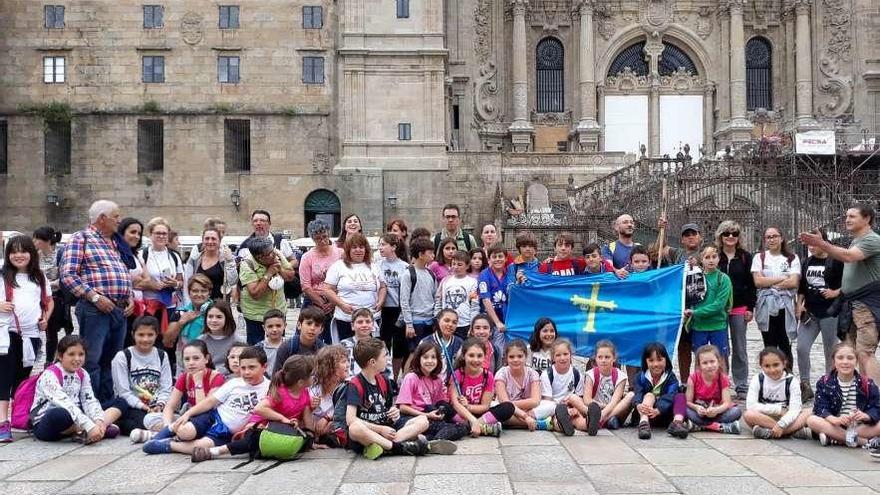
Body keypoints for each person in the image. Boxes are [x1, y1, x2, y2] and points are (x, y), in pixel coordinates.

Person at [61, 200, 135, 402]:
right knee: (91, 360)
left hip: (119, 310)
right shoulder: (81, 238)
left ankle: (107, 405)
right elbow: (68, 275)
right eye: (116, 216)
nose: (119, 221)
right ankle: (90, 404)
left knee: (112, 360)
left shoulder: (115, 242)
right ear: (102, 218)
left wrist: (129, 296)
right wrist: (94, 297)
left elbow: (123, 273)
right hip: (95, 309)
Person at [800, 204, 880, 384]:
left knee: (866, 352)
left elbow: (849, 256)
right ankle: (862, 393)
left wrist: (821, 244)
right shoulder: (856, 240)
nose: (847, 219)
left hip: (866, 304)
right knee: (854, 352)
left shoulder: (871, 240)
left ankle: (876, 397)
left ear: (867, 219)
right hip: (852, 304)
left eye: (852, 216)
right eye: (846, 216)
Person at [141, 346, 270, 456]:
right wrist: (188, 414)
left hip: (227, 433)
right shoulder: (235, 383)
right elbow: (210, 402)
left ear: (264, 367)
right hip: (212, 417)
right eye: (243, 368)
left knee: (202, 446)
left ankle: (170, 445)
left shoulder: (269, 388)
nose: (246, 372)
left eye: (252, 367)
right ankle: (168, 431)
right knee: (185, 432)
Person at [342, 337, 456, 459]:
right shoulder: (355, 384)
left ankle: (383, 447)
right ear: (373, 362)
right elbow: (350, 419)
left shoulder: (384, 380)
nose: (388, 358)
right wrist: (380, 429)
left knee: (423, 421)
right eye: (385, 355)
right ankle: (400, 447)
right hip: (368, 432)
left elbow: (390, 409)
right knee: (354, 428)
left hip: (388, 430)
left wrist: (394, 412)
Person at [190, 354, 317, 462]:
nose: (314, 377)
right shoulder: (280, 392)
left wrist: (311, 439)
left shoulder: (304, 393)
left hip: (280, 430)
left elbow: (307, 419)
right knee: (251, 440)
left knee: (302, 441)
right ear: (300, 381)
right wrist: (283, 419)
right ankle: (214, 451)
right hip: (260, 426)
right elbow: (259, 409)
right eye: (312, 375)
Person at [0, 235, 54, 441]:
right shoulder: (2, 276)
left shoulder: (39, 277)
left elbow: (48, 302)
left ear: (32, 253)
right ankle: (2, 422)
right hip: (7, 334)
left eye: (23, 251)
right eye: (14, 251)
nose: (19, 255)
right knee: (3, 378)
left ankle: (18, 416)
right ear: (8, 255)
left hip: (31, 336)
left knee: (21, 379)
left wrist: (45, 318)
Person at [30, 335, 124, 443]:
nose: (77, 359)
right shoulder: (49, 375)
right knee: (60, 414)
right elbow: (64, 402)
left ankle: (99, 428)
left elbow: (89, 400)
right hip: (48, 423)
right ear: (60, 356)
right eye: (71, 354)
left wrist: (99, 420)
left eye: (81, 354)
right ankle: (87, 430)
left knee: (121, 402)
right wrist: (88, 425)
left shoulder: (82, 373)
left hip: (78, 414)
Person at [129, 340, 225, 443]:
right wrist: (167, 428)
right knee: (149, 419)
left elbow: (204, 409)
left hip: (208, 420)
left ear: (206, 359)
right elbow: (169, 407)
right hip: (188, 417)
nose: (191, 363)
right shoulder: (185, 377)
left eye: (196, 358)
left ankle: (158, 436)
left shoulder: (216, 377)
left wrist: (198, 382)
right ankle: (169, 435)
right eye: (187, 359)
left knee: (188, 430)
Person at [797, 229, 843, 400]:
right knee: (802, 347)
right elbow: (802, 286)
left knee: (830, 349)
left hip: (830, 311)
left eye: (813, 243)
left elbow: (848, 283)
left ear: (823, 241)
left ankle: (829, 384)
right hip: (810, 312)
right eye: (808, 244)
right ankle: (805, 384)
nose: (810, 247)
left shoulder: (836, 261)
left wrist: (834, 292)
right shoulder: (806, 262)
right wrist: (799, 304)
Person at [807, 342, 880, 448]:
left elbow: (877, 407)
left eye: (850, 358)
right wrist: (835, 419)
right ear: (834, 361)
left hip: (858, 427)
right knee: (811, 420)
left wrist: (866, 416)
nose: (845, 362)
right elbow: (820, 407)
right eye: (840, 358)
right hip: (834, 425)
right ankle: (860, 441)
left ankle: (835, 438)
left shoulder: (867, 383)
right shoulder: (825, 382)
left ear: (856, 362)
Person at [110, 315, 173, 435]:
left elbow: (166, 387)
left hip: (157, 406)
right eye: (141, 335)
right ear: (133, 334)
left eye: (150, 335)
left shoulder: (162, 355)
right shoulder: (123, 357)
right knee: (131, 425)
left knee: (170, 416)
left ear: (156, 335)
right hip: (133, 407)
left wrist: (160, 404)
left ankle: (157, 432)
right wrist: (144, 407)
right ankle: (161, 432)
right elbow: (123, 392)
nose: (145, 339)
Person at [715, 220, 756, 400]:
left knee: (740, 346)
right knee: (721, 347)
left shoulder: (746, 257)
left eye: (734, 233)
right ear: (721, 237)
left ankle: (741, 383)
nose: (730, 237)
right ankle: (722, 381)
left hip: (739, 307)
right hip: (719, 309)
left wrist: (750, 307)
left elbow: (751, 284)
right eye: (726, 233)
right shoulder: (715, 256)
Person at [396, 341, 468, 441]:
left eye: (433, 357)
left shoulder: (437, 380)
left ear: (438, 360)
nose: (430, 361)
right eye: (425, 357)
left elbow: (438, 404)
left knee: (461, 428)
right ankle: (432, 441)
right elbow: (403, 407)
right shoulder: (411, 377)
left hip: (430, 417)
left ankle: (425, 440)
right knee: (446, 427)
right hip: (411, 418)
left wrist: (440, 412)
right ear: (418, 359)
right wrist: (427, 415)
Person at [752, 226, 800, 371]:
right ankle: (770, 375)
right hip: (766, 306)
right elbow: (758, 282)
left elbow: (793, 282)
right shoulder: (759, 258)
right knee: (769, 343)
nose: (772, 239)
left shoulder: (792, 258)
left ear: (781, 238)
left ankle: (788, 375)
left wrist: (769, 281)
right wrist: (781, 278)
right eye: (768, 237)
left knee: (785, 343)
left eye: (774, 236)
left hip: (784, 306)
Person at [139, 218, 184, 370]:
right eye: (157, 233)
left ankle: (168, 373)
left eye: (164, 233)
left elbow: (181, 282)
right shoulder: (142, 255)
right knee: (149, 341)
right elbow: (136, 282)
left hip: (170, 306)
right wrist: (152, 285)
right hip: (149, 307)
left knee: (169, 342)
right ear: (150, 235)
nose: (161, 236)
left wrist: (174, 284)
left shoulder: (174, 256)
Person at [324, 233, 386, 343]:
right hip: (346, 318)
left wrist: (380, 301)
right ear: (348, 249)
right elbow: (327, 289)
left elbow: (382, 287)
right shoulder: (338, 266)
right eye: (354, 247)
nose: (358, 250)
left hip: (370, 319)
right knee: (347, 351)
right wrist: (342, 305)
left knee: (370, 352)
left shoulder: (374, 266)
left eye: (361, 247)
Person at [449, 337, 515, 437]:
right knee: (444, 407)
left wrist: (469, 408)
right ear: (463, 356)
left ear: (484, 357)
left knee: (508, 407)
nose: (475, 360)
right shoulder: (457, 374)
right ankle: (482, 427)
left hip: (479, 414)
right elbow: (455, 404)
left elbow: (485, 406)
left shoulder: (487, 376)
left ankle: (470, 427)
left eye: (479, 356)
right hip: (461, 414)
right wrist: (472, 419)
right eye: (471, 355)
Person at [744, 347, 812, 440]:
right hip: (765, 417)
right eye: (767, 366)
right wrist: (778, 410)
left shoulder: (792, 381)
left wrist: (782, 424)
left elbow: (794, 410)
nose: (772, 370)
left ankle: (771, 432)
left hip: (787, 418)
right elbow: (751, 406)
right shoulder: (758, 379)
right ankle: (791, 432)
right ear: (761, 366)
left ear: (784, 363)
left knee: (810, 411)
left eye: (776, 365)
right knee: (749, 414)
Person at [239, 236, 296, 345]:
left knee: (278, 345)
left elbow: (291, 276)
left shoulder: (276, 254)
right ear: (258, 257)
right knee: (256, 348)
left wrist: (280, 269)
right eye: (268, 254)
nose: (273, 255)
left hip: (277, 311)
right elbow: (255, 293)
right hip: (255, 314)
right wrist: (268, 274)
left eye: (272, 250)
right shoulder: (247, 264)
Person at [685, 246, 733, 374]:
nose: (711, 260)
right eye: (707, 257)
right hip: (699, 326)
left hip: (718, 325)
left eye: (714, 257)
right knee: (699, 359)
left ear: (718, 259)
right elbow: (689, 297)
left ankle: (723, 388)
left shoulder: (723, 279)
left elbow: (719, 304)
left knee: (721, 358)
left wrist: (696, 312)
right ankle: (698, 388)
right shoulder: (694, 277)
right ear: (701, 259)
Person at [534, 339, 591, 436]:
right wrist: (565, 411)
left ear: (571, 355)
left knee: (579, 419)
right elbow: (548, 401)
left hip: (572, 407)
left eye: (565, 354)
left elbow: (579, 397)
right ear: (552, 358)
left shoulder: (577, 374)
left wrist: (576, 409)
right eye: (558, 355)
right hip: (555, 409)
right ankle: (564, 426)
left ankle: (590, 424)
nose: (562, 358)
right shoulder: (547, 374)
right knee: (555, 421)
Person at [299, 219, 343, 344]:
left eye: (324, 236)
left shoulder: (340, 253)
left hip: (337, 299)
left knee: (332, 340)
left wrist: (333, 302)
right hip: (313, 301)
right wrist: (322, 304)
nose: (322, 240)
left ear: (328, 233)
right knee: (310, 338)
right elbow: (306, 285)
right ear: (313, 239)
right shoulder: (307, 257)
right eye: (318, 238)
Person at [632, 342, 688, 440]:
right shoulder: (640, 377)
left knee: (680, 396)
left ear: (666, 360)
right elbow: (638, 393)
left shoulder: (671, 378)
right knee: (649, 395)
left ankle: (676, 424)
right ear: (645, 362)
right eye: (651, 360)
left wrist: (658, 410)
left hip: (665, 415)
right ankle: (644, 425)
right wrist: (638, 405)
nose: (656, 364)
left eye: (660, 360)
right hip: (646, 414)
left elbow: (670, 396)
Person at [399, 238, 438, 371]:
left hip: (429, 320)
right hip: (415, 321)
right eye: (430, 253)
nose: (433, 256)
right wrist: (409, 324)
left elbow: (435, 297)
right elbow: (404, 301)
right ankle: (405, 383)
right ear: (421, 254)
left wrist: (435, 318)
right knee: (413, 354)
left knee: (426, 353)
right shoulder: (408, 274)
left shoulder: (431, 274)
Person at [685, 344, 742, 434]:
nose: (709, 366)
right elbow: (688, 402)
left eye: (712, 361)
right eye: (705, 363)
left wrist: (717, 410)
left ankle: (701, 426)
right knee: (684, 409)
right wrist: (697, 408)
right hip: (700, 413)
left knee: (736, 412)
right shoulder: (693, 378)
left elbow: (727, 402)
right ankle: (717, 426)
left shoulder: (722, 378)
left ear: (718, 362)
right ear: (699, 365)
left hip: (717, 412)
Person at [164, 274, 213, 374]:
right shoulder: (181, 312)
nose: (199, 294)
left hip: (210, 362)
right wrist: (181, 323)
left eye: (203, 291)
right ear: (189, 293)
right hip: (185, 365)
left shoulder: (216, 312)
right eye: (195, 291)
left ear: (209, 293)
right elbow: (167, 341)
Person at [33, 226, 68, 365]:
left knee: (52, 330)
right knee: (39, 328)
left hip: (55, 298)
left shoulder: (61, 254)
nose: (34, 241)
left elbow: (65, 278)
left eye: (37, 238)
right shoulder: (35, 255)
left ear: (48, 240)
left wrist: (46, 284)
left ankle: (49, 361)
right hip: (37, 298)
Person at [583, 340, 634, 430]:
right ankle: (599, 419)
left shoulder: (621, 376)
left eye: (607, 357)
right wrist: (600, 407)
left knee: (631, 395)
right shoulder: (590, 374)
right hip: (595, 409)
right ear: (596, 358)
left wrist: (602, 415)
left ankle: (602, 420)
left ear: (614, 358)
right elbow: (587, 400)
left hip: (614, 411)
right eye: (600, 357)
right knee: (573, 398)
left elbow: (615, 401)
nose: (603, 360)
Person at [494, 339, 542, 430]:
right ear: (506, 358)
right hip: (508, 411)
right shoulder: (501, 373)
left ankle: (513, 423)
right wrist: (524, 415)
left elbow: (535, 401)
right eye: (511, 357)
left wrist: (511, 405)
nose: (516, 360)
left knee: (550, 406)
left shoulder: (533, 374)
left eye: (520, 356)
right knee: (494, 408)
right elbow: (504, 403)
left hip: (527, 409)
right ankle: (539, 424)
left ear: (526, 357)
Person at [376, 234, 408, 358]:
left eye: (383, 244)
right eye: (379, 245)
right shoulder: (377, 264)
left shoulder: (404, 266)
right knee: (384, 341)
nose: (380, 248)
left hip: (398, 308)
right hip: (382, 308)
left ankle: (395, 375)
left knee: (399, 343)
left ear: (393, 247)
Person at [308, 345, 348, 446]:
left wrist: (327, 418)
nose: (348, 365)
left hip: (334, 427)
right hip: (312, 429)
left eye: (347, 361)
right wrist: (310, 407)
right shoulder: (311, 387)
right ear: (330, 366)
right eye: (343, 362)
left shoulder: (348, 387)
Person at [434, 251, 479, 340]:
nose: (455, 267)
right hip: (446, 323)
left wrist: (472, 323)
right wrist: (437, 318)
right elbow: (438, 301)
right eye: (453, 264)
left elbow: (474, 305)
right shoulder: (445, 281)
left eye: (459, 264)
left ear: (467, 266)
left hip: (464, 323)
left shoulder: (473, 282)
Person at [186, 227, 237, 302]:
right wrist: (188, 304)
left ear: (219, 241)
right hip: (199, 304)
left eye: (213, 239)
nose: (210, 241)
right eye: (207, 238)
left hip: (219, 305)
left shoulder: (225, 259)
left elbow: (233, 281)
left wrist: (230, 261)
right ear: (202, 241)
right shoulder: (195, 259)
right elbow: (187, 284)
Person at [272, 306, 327, 374]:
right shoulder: (287, 347)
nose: (312, 328)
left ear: (321, 329)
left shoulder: (324, 351)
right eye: (309, 323)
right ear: (299, 325)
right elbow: (276, 377)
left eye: (317, 325)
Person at [118, 217, 147, 348]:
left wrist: (132, 281)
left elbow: (147, 279)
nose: (136, 236)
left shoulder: (137, 255)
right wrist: (133, 281)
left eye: (139, 233)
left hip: (139, 306)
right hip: (125, 305)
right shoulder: (116, 253)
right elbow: (120, 279)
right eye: (133, 232)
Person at [343, 308, 394, 379]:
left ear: (373, 325)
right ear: (352, 326)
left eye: (368, 321)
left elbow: (388, 372)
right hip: (351, 385)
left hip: (375, 386)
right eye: (360, 322)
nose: (364, 325)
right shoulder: (344, 345)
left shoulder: (380, 346)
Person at [197, 301, 242, 376]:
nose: (214, 320)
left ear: (227, 318)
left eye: (219, 317)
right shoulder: (200, 341)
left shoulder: (237, 341)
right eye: (210, 316)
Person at [479, 244, 509, 351]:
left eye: (500, 256)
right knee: (493, 351)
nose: (497, 259)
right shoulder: (484, 274)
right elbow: (485, 299)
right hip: (491, 321)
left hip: (507, 321)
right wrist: (497, 322)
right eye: (494, 257)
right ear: (489, 259)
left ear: (506, 258)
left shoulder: (510, 273)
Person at [420, 309, 464, 376]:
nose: (450, 324)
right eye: (446, 320)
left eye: (454, 322)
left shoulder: (460, 343)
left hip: (452, 383)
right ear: (438, 321)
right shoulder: (425, 342)